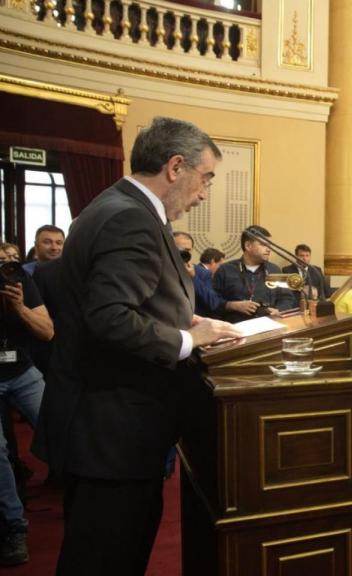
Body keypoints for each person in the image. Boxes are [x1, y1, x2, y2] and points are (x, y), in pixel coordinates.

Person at [33, 117, 241, 574]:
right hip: (113, 430)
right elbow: (109, 317)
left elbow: (125, 298)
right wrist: (188, 338)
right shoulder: (131, 218)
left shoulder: (115, 205)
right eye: (205, 179)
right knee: (106, 557)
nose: (204, 192)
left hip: (106, 424)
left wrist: (187, 317)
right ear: (175, 166)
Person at [0, 257, 53, 564]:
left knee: (59, 428)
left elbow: (47, 332)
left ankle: (85, 505)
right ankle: (14, 526)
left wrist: (19, 308)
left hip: (22, 372)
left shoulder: (19, 281)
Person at [212, 225, 297, 322]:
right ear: (248, 246)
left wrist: (278, 310)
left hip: (269, 327)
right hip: (236, 328)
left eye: (269, 245)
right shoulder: (225, 270)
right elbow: (212, 302)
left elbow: (287, 298)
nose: (269, 249)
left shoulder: (274, 269)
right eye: (263, 244)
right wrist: (232, 305)